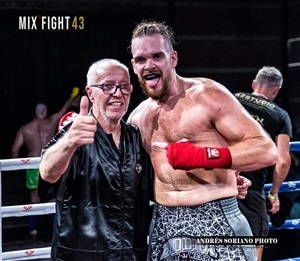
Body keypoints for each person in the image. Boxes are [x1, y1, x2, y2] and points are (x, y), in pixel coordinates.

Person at [127, 20, 278, 261]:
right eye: (141, 59)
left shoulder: (207, 95)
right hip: (164, 225)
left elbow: (267, 151)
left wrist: (203, 157)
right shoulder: (137, 118)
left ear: (173, 59)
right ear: (134, 65)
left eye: (157, 56)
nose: (149, 65)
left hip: (217, 218)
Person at [38, 59, 153, 260]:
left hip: (130, 254)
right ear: (90, 93)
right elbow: (47, 179)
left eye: (124, 86)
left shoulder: (136, 137)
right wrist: (69, 142)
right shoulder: (76, 133)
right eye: (107, 86)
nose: (117, 93)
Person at [234, 66, 292, 261]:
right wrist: (274, 193)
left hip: (220, 180)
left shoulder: (230, 99)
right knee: (256, 241)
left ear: (253, 85)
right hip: (251, 188)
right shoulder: (280, 115)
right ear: (276, 90)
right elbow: (283, 161)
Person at [11, 88, 80, 236]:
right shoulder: (51, 122)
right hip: (49, 161)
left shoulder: (25, 129)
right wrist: (72, 95)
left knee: (34, 198)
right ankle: (57, 229)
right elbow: (64, 109)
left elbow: (15, 149)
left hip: (32, 164)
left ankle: (33, 229)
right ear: (44, 111)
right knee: (52, 197)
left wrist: (15, 167)